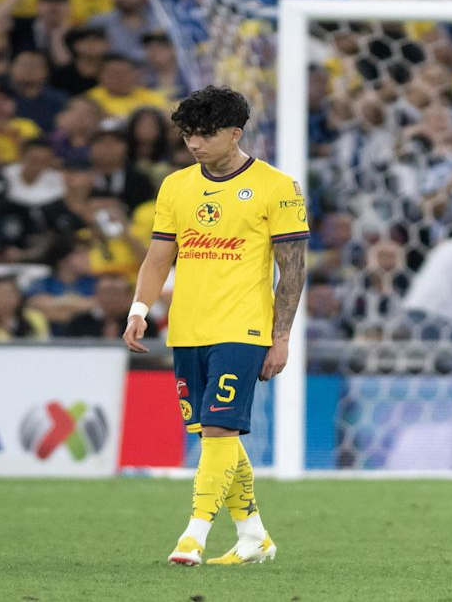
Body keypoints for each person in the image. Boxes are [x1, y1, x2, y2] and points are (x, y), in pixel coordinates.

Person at [123, 86, 308, 566]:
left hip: (244, 327)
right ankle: (253, 535)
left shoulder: (277, 186)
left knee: (221, 428)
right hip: (187, 327)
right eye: (188, 134)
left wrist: (281, 337)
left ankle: (194, 535)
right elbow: (158, 257)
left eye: (205, 134)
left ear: (234, 133)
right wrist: (139, 309)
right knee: (212, 433)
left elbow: (292, 269)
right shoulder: (176, 186)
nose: (195, 143)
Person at [66, 272, 154, 338]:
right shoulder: (80, 322)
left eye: (116, 293)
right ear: (97, 294)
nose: (111, 298)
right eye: (106, 293)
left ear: (130, 296)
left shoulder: (142, 323)